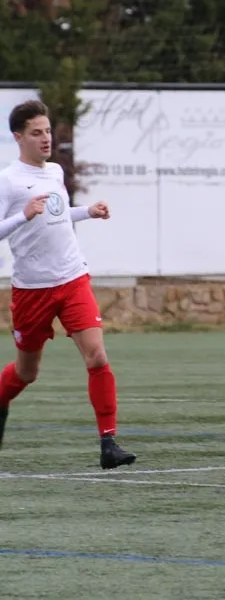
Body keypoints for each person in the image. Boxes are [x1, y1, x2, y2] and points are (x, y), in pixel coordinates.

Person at [0, 100, 135, 469]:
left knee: (97, 356)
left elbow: (57, 215)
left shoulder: (55, 171)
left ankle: (109, 444)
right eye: (37, 133)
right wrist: (22, 216)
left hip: (73, 278)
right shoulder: (9, 180)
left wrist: (87, 212)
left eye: (47, 131)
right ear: (19, 137)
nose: (46, 138)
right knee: (26, 372)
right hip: (32, 290)